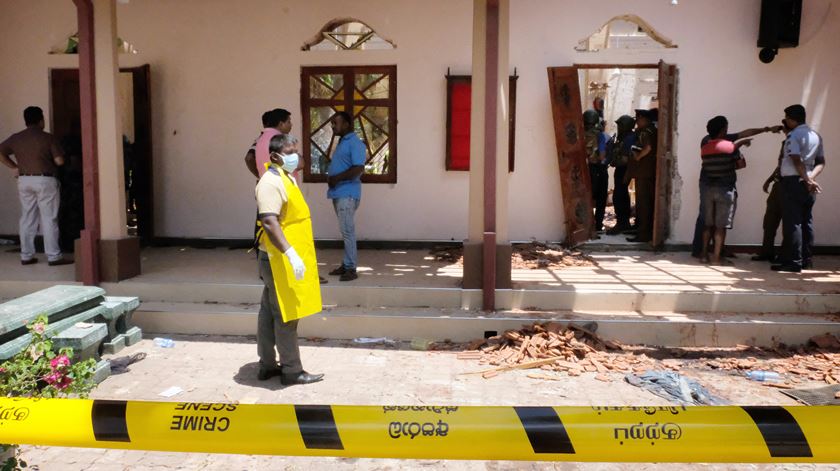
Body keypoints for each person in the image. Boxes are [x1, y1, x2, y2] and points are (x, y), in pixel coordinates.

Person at [253, 133, 324, 385]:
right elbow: (270, 222)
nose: (296, 156)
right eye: (290, 152)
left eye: (297, 151)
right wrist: (291, 254)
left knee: (269, 312)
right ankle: (291, 370)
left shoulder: (285, 178)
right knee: (286, 313)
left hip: (278, 257)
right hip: (278, 258)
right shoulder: (270, 183)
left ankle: (267, 365)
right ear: (274, 156)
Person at [691, 121, 783, 258]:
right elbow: (740, 163)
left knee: (706, 220)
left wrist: (766, 129)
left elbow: (745, 133)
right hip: (723, 186)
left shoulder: (708, 142)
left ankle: (702, 252)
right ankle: (716, 255)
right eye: (726, 129)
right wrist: (731, 157)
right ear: (723, 130)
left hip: (707, 185)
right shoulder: (726, 145)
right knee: (719, 223)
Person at [0, 106, 72, 266]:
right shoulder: (48, 138)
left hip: (24, 180)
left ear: (26, 120)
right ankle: (53, 256)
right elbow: (59, 161)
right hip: (45, 180)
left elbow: (0, 152)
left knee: (27, 217)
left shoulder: (16, 138)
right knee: (49, 218)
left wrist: (14, 166)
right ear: (41, 120)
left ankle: (26, 255)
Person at [772, 104, 825, 273]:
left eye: (787, 117)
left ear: (792, 119)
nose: (786, 120)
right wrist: (811, 179)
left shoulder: (793, 136)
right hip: (807, 183)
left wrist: (806, 179)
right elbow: (821, 162)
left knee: (792, 223)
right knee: (806, 222)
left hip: (793, 183)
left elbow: (795, 159)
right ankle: (806, 260)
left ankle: (794, 262)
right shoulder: (816, 136)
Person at [698, 116, 753, 265]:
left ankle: (703, 255)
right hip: (725, 189)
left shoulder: (705, 147)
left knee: (708, 224)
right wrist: (739, 147)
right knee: (720, 227)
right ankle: (716, 258)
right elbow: (741, 164)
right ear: (723, 130)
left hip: (708, 189)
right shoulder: (730, 147)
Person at [326, 111, 366, 282]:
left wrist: (336, 178)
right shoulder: (343, 142)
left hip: (347, 193)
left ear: (347, 124)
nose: (333, 126)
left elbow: (358, 168)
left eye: (336, 123)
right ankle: (346, 263)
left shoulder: (355, 143)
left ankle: (351, 268)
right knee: (345, 231)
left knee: (348, 231)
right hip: (339, 192)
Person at [626, 109, 657, 243]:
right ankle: (644, 231)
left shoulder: (646, 132)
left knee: (643, 205)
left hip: (644, 173)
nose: (637, 122)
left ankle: (643, 234)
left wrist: (638, 156)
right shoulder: (652, 130)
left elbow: (648, 147)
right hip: (647, 173)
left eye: (638, 119)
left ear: (645, 119)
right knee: (646, 204)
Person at [606, 115, 636, 235]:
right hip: (622, 169)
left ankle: (622, 224)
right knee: (620, 195)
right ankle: (623, 223)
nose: (618, 128)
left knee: (620, 196)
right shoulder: (624, 137)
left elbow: (625, 159)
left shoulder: (629, 138)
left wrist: (613, 161)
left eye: (620, 125)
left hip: (624, 169)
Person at [244, 108, 292, 179]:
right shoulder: (276, 139)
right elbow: (249, 158)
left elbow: (249, 158)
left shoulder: (260, 140)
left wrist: (261, 176)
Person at [584, 110, 610, 233]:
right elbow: (602, 155)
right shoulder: (600, 135)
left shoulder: (579, 133)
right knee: (600, 199)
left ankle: (585, 225)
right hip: (599, 169)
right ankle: (598, 225)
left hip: (584, 170)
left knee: (586, 197)